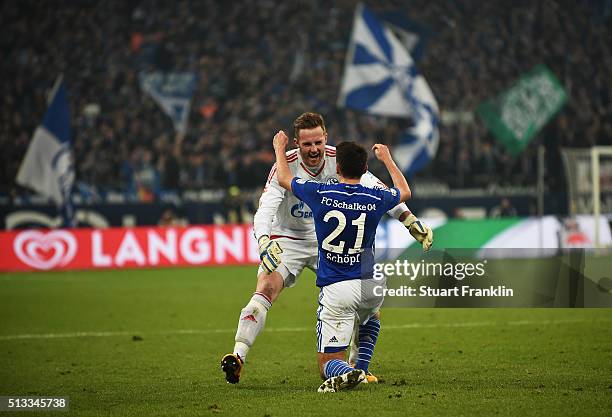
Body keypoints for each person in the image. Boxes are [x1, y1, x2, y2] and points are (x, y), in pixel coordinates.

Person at [220, 112, 432, 384]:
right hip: (289, 240)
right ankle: (238, 355)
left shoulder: (338, 158)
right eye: (307, 144)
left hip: (328, 243)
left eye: (318, 142)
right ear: (297, 142)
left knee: (366, 305)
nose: (314, 150)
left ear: (326, 138)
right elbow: (266, 209)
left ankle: (357, 368)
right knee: (266, 288)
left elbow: (373, 187)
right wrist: (263, 241)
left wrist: (408, 218)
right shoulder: (284, 165)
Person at [273, 132, 411, 392]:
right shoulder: (376, 197)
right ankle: (364, 368)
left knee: (327, 363)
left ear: (336, 168)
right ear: (366, 168)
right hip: (372, 283)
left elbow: (283, 178)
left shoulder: (320, 192)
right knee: (371, 316)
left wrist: (280, 149)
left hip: (338, 287)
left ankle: (351, 372)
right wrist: (389, 160)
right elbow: (404, 192)